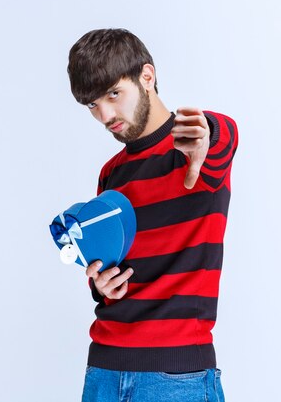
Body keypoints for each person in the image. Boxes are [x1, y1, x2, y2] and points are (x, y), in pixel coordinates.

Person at [66, 28, 238, 402]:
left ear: (147, 76)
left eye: (113, 93)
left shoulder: (195, 148)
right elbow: (112, 271)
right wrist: (102, 285)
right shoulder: (111, 174)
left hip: (175, 378)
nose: (105, 115)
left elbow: (222, 134)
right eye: (93, 105)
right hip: (103, 373)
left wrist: (206, 130)